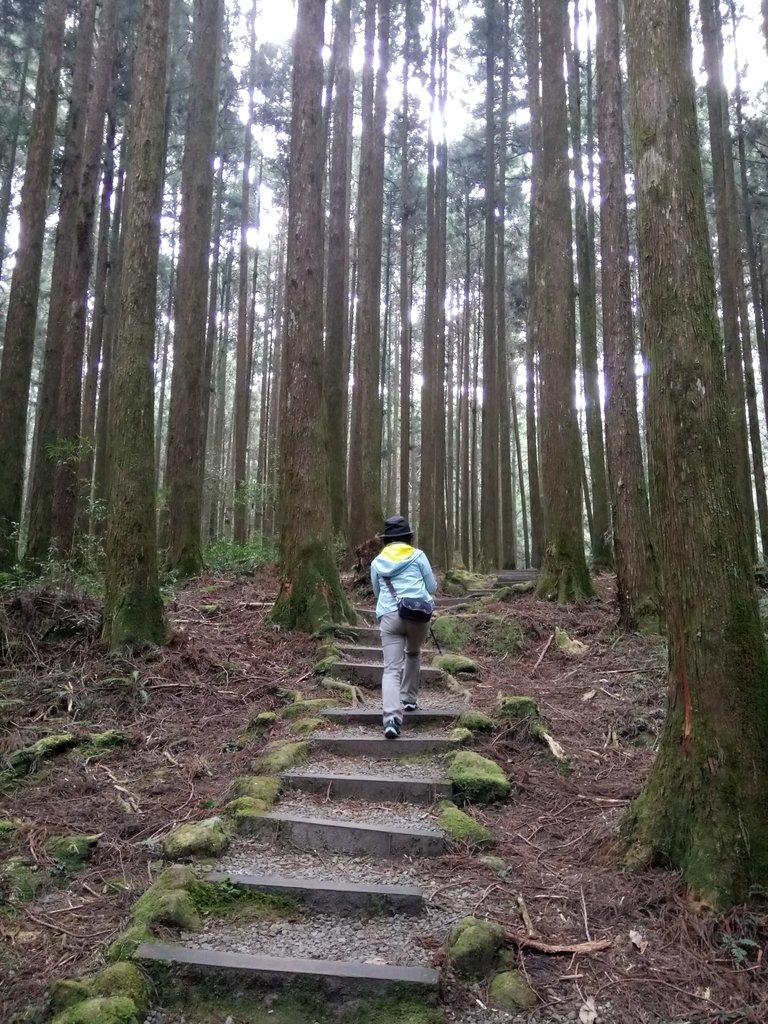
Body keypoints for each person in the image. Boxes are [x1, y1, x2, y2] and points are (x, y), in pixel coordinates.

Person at [370, 516, 437, 739]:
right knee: (414, 653)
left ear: (386, 540)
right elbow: (432, 587)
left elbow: (377, 593)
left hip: (390, 616)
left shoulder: (377, 562)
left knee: (390, 669)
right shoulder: (419, 556)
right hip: (418, 614)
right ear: (408, 537)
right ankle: (409, 700)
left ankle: (391, 719)